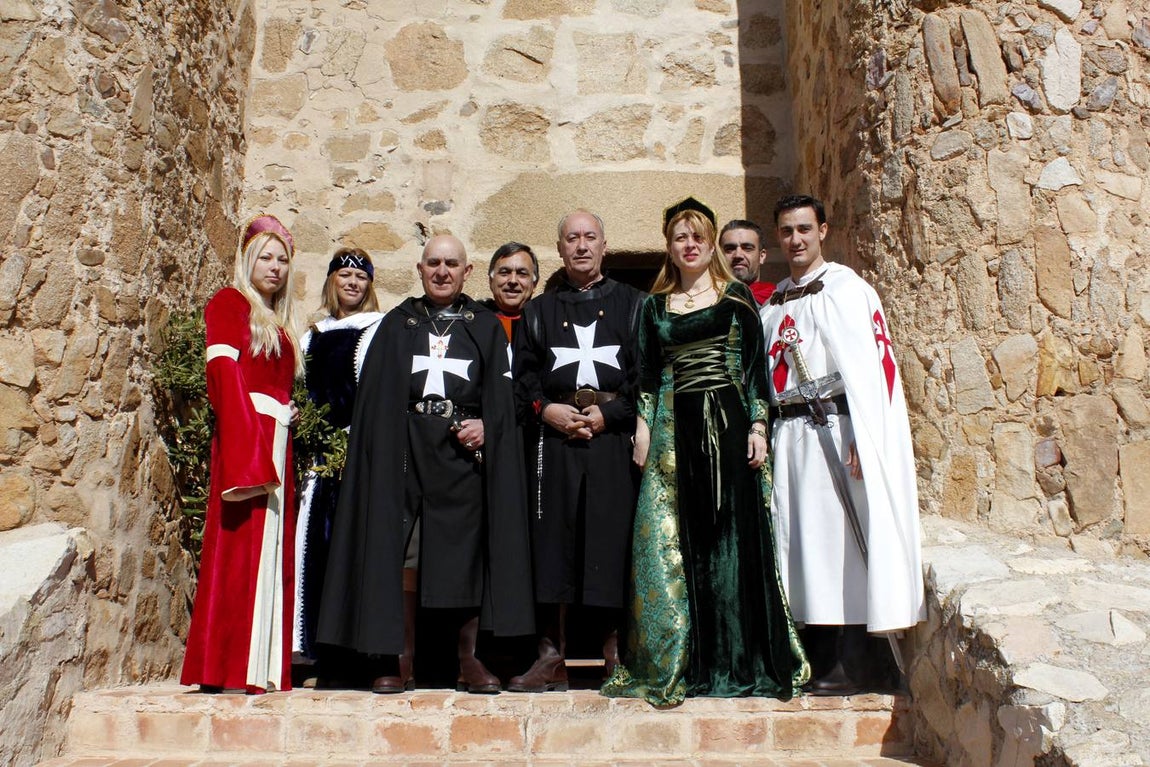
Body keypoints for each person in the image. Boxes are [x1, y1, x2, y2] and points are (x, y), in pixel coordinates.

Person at [600, 199, 809, 708]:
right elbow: (648, 374)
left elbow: (754, 368)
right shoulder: (653, 306)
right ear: (669, 247)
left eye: (698, 236)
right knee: (675, 542)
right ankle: (682, 659)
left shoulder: (735, 296)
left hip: (729, 422)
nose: (689, 245)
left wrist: (758, 424)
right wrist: (645, 431)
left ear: (709, 242)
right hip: (675, 430)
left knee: (730, 542)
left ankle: (738, 660)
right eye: (679, 237)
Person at [317, 235, 534, 694]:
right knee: (405, 553)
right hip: (407, 453)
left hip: (462, 457)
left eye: (451, 264)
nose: (441, 271)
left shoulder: (484, 325)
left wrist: (486, 427)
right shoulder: (399, 324)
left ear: (466, 271)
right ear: (419, 269)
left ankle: (467, 660)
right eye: (433, 263)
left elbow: (502, 398)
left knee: (466, 553)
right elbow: (376, 399)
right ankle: (400, 658)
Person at [760, 194, 925, 695]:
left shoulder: (847, 291)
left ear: (823, 231)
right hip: (789, 434)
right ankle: (814, 655)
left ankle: (855, 662)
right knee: (798, 544)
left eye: (804, 229)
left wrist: (858, 431)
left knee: (839, 544)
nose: (795, 239)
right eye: (787, 231)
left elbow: (868, 372)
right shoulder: (774, 302)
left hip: (833, 431)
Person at [509, 210, 643, 693]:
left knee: (610, 539)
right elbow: (522, 379)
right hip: (555, 440)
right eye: (572, 239)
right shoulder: (539, 312)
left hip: (610, 437)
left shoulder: (634, 305)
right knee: (552, 541)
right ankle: (550, 656)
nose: (581, 246)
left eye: (590, 238)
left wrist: (613, 415)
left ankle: (613, 650)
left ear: (605, 245)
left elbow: (645, 376)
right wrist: (546, 410)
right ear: (560, 248)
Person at [181, 214, 302, 694]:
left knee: (267, 551)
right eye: (265, 258)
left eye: (282, 260)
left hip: (277, 439)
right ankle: (223, 667)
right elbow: (225, 380)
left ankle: (259, 667)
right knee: (236, 550)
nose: (274, 268)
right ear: (248, 260)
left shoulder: (278, 318)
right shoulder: (230, 303)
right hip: (249, 440)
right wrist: (246, 449)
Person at [292, 247, 384, 681]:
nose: (352, 282)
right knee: (317, 551)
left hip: (356, 455)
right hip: (318, 460)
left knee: (355, 552)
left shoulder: (376, 329)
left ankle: (359, 656)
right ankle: (320, 653)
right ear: (331, 280)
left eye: (360, 277)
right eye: (344, 274)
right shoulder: (312, 334)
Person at [484, 241, 539, 342]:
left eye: (522, 274)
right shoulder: (474, 322)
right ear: (491, 281)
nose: (513, 281)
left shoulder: (545, 324)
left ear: (534, 284)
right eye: (504, 273)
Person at [719, 219, 776, 305]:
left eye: (747, 248)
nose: (738, 255)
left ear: (762, 256)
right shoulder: (707, 302)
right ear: (719, 256)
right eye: (730, 249)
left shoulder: (778, 301)